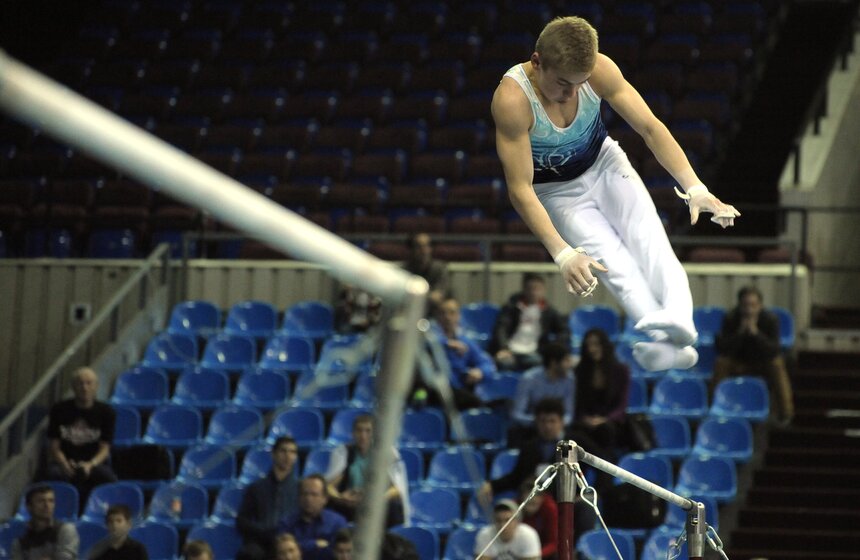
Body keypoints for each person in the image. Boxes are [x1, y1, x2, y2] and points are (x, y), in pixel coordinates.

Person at [492, 16, 740, 374]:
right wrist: (562, 253)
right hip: (558, 192)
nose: (571, 94)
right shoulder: (513, 99)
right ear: (536, 62)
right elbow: (519, 189)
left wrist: (695, 187)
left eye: (579, 84)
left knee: (650, 241)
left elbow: (650, 128)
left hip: (605, 164)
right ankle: (668, 345)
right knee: (615, 266)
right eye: (562, 83)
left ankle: (680, 326)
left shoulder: (600, 70)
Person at [478, 398, 602, 543]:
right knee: (508, 510)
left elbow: (602, 466)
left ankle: (577, 551)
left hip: (568, 501)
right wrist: (492, 485)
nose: (547, 426)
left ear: (562, 422)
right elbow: (516, 477)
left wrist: (594, 492)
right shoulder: (529, 446)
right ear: (537, 422)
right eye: (543, 421)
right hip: (536, 504)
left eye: (552, 421)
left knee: (586, 507)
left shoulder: (576, 443)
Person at [713, 286, 794, 423]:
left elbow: (774, 350)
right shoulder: (731, 318)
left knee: (777, 364)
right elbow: (723, 348)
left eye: (753, 305)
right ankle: (715, 406)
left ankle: (786, 413)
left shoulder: (770, 320)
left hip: (762, 364)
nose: (749, 310)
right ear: (739, 306)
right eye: (745, 306)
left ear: (760, 306)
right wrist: (740, 333)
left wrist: (756, 334)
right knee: (721, 363)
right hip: (738, 363)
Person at [42, 367, 117, 502]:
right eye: (80, 383)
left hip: (93, 464)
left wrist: (90, 465)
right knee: (50, 475)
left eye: (89, 383)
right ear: (73, 387)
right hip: (64, 463)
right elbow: (54, 446)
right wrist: (64, 464)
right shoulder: (59, 409)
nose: (84, 387)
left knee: (109, 479)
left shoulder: (106, 412)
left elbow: (105, 448)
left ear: (96, 386)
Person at [324, 415, 409, 528]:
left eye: (368, 431)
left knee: (394, 505)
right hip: (351, 503)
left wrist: (377, 498)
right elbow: (329, 486)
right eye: (359, 430)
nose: (363, 436)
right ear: (353, 433)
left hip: (377, 503)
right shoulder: (344, 453)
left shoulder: (387, 453)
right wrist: (340, 498)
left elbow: (397, 489)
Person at [490, 272, 571, 371]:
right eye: (530, 289)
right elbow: (501, 328)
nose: (534, 292)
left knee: (544, 366)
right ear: (524, 289)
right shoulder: (511, 307)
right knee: (504, 364)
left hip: (535, 353)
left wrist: (551, 348)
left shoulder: (549, 311)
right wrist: (503, 348)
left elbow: (564, 330)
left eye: (537, 289)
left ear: (543, 290)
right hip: (510, 351)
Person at [237, 437, 302, 560]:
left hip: (291, 541)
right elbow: (242, 521)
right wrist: (265, 532)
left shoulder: (300, 488)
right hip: (262, 543)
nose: (287, 456)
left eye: (292, 452)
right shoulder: (256, 488)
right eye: (283, 451)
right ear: (274, 454)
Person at [430, 296, 497, 409]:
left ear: (458, 316)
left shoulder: (466, 342)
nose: (447, 317)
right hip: (435, 391)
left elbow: (487, 364)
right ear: (437, 317)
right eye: (443, 313)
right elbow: (421, 344)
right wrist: (446, 343)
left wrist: (480, 372)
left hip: (458, 393)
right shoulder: (430, 338)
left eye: (452, 313)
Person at [573, 328, 630, 451]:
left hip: (611, 421)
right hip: (586, 421)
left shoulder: (621, 371)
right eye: (589, 345)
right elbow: (578, 403)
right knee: (575, 435)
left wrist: (605, 419)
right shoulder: (580, 371)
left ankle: (603, 466)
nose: (592, 349)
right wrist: (585, 418)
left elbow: (621, 405)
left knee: (606, 431)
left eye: (596, 344)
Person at [510, 342, 575, 446]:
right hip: (532, 427)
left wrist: (555, 424)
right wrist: (541, 423)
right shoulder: (529, 379)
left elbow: (569, 414)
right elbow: (517, 414)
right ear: (554, 363)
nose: (570, 364)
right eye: (566, 361)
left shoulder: (570, 379)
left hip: (558, 427)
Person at [277, 474, 348, 560]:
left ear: (325, 498)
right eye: (304, 494)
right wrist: (315, 544)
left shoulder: (337, 523)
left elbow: (341, 552)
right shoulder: (286, 524)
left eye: (314, 494)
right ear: (298, 497)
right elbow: (284, 553)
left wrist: (300, 546)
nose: (308, 499)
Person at [11, 485, 79, 560]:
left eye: (51, 501)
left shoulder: (66, 529)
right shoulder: (21, 537)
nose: (47, 505)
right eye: (40, 501)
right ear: (29, 507)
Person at [474, 499, 542, 560]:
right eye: (498, 520)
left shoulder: (529, 535)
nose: (503, 525)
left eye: (508, 520)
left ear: (517, 521)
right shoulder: (484, 535)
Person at [403, 232, 450, 312]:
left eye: (427, 246)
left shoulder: (439, 268)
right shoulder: (404, 270)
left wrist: (415, 297)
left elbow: (437, 298)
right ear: (411, 249)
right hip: (410, 313)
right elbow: (402, 299)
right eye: (419, 246)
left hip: (435, 316)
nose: (423, 250)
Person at [518, 479, 558, 559]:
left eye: (534, 504)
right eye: (527, 503)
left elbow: (553, 543)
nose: (530, 509)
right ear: (522, 498)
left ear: (542, 498)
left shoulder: (550, 508)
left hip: (541, 550)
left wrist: (535, 555)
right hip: (520, 549)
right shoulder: (515, 507)